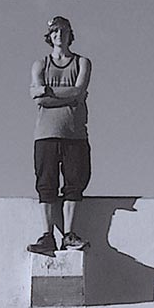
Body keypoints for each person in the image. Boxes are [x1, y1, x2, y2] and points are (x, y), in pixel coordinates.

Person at [29, 16, 93, 254]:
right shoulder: (40, 64)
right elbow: (40, 99)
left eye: (63, 31)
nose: (59, 36)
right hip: (45, 134)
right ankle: (47, 235)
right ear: (50, 36)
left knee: (74, 185)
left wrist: (47, 90)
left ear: (69, 34)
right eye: (54, 32)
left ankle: (69, 234)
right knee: (46, 185)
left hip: (75, 134)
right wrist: (65, 96)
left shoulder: (82, 62)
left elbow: (79, 90)